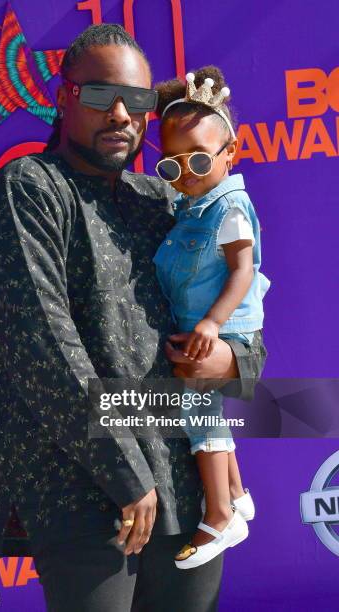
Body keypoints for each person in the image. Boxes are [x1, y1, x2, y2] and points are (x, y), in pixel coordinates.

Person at [0, 25, 266, 612]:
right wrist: (127, 474)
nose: (123, 114)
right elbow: (40, 347)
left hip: (187, 483)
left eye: (140, 100)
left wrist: (234, 361)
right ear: (64, 97)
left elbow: (240, 315)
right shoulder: (29, 189)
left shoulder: (163, 201)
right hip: (84, 489)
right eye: (102, 96)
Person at [152, 65, 270, 569]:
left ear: (230, 153)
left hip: (232, 336)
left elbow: (242, 271)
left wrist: (211, 324)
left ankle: (220, 516)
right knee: (203, 411)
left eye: (199, 158)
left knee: (199, 414)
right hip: (206, 334)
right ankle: (238, 494)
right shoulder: (188, 207)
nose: (188, 173)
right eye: (172, 166)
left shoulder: (231, 207)